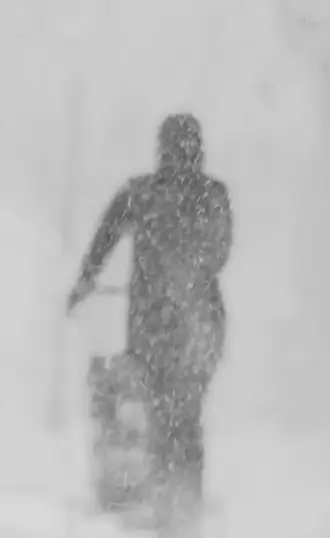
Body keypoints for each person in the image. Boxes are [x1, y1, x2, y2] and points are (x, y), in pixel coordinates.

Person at [67, 113, 232, 513]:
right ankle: (186, 500)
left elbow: (104, 238)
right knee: (188, 415)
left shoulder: (140, 193)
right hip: (201, 328)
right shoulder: (213, 195)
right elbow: (220, 252)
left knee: (160, 413)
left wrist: (85, 282)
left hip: (152, 326)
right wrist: (189, 279)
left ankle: (166, 495)